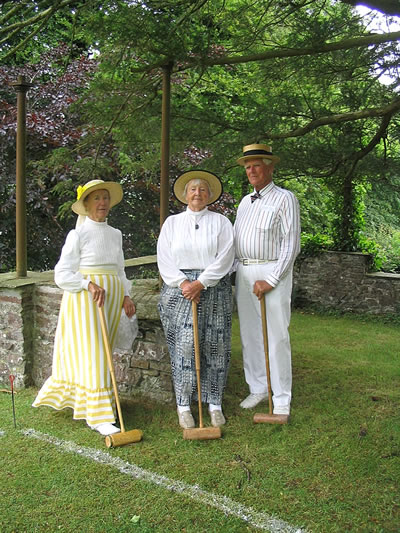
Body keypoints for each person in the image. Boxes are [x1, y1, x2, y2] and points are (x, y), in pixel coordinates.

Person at [33, 179, 136, 436]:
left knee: (104, 350)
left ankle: (99, 403)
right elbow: (62, 274)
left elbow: (119, 269)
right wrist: (87, 284)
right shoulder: (77, 234)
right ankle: (98, 416)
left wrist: (125, 295)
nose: (102, 203)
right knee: (94, 351)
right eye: (96, 198)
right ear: (86, 204)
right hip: (85, 301)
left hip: (111, 299)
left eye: (105, 198)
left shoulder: (116, 234)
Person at [157, 170, 235, 429]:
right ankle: (184, 405)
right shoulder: (172, 223)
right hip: (180, 289)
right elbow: (164, 258)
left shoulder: (222, 222)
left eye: (203, 189)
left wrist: (201, 282)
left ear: (210, 195)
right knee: (185, 347)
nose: (197, 194)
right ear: (184, 195)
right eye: (193, 189)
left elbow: (225, 257)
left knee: (216, 344)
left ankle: (214, 404)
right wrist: (185, 283)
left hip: (213, 288)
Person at [234, 144, 300, 415]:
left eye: (256, 165)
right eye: (248, 167)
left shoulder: (285, 199)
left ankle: (281, 397)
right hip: (244, 272)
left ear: (270, 167)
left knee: (276, 336)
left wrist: (271, 279)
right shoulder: (244, 202)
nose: (251, 170)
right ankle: (258, 387)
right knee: (250, 335)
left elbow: (291, 243)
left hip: (273, 272)